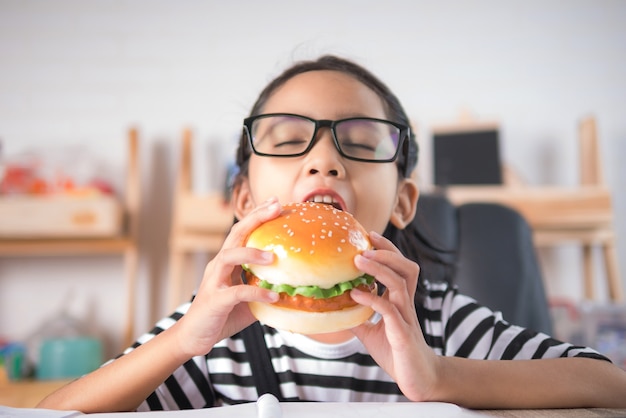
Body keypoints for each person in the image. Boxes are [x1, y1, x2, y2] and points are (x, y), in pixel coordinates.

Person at [38, 55, 626, 413]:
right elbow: (54, 413)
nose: (324, 161)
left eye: (362, 143)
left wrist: (440, 374)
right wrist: (178, 343)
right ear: (244, 200)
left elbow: (609, 387)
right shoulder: (211, 334)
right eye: (290, 141)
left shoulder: (440, 322)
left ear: (402, 202)